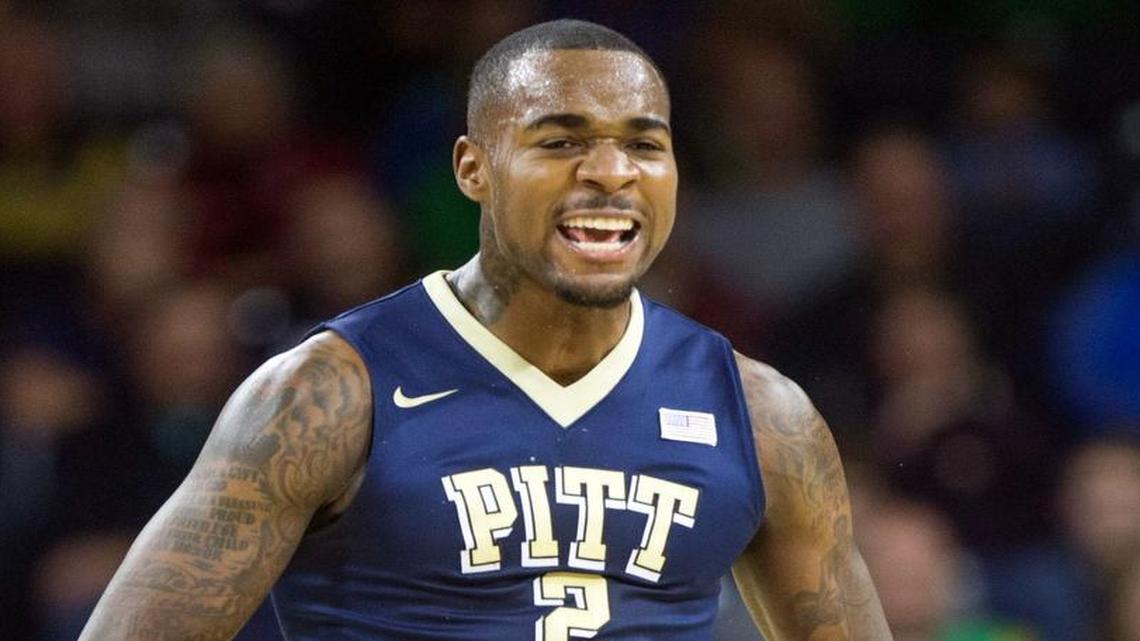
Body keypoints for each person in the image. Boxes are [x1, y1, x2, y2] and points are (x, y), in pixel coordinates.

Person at [79, 19, 890, 641]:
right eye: (561, 141)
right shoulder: (327, 394)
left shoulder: (762, 413)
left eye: (644, 144)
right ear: (473, 168)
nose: (611, 173)